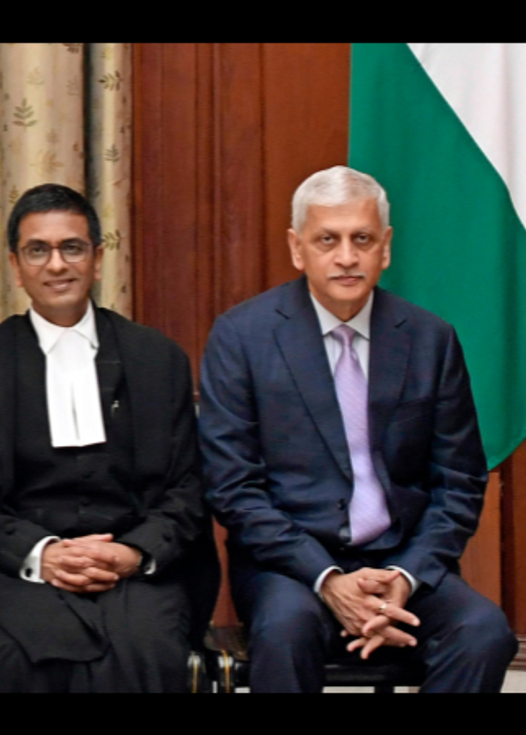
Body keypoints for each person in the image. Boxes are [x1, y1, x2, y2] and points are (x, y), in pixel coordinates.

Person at [199, 166, 518, 693]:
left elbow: (459, 483)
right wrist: (328, 578)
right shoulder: (242, 338)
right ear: (298, 249)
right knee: (286, 632)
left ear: (385, 247)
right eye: (328, 240)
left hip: (404, 563)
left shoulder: (430, 339)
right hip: (292, 567)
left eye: (362, 239)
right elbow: (233, 488)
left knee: (483, 633)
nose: (346, 257)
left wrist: (405, 578)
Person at [0, 183, 218, 693]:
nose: (57, 265)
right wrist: (42, 553)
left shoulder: (157, 359)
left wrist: (132, 553)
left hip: (136, 567)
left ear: (97, 259)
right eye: (39, 250)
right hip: (17, 572)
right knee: (38, 656)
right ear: (16, 266)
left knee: (145, 647)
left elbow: (187, 490)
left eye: (72, 248)